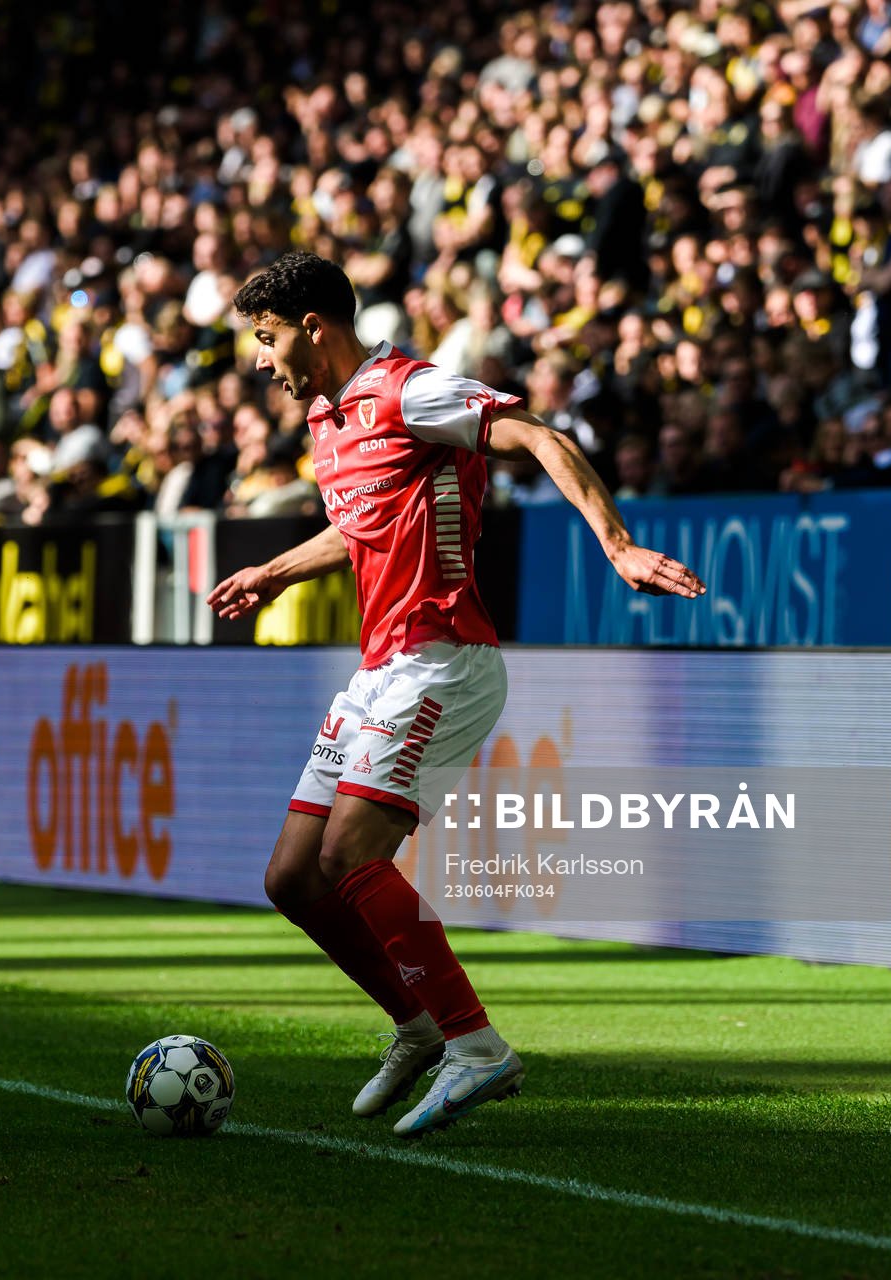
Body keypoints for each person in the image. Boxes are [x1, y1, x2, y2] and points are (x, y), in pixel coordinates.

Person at [207, 253, 702, 1138]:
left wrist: (619, 547)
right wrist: (276, 572)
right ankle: (418, 1024)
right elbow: (357, 524)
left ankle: (479, 1049)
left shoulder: (411, 391)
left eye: (267, 336)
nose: (259, 359)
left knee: (353, 854)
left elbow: (541, 436)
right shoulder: (328, 418)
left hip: (444, 656)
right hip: (381, 664)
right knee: (292, 875)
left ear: (314, 327)